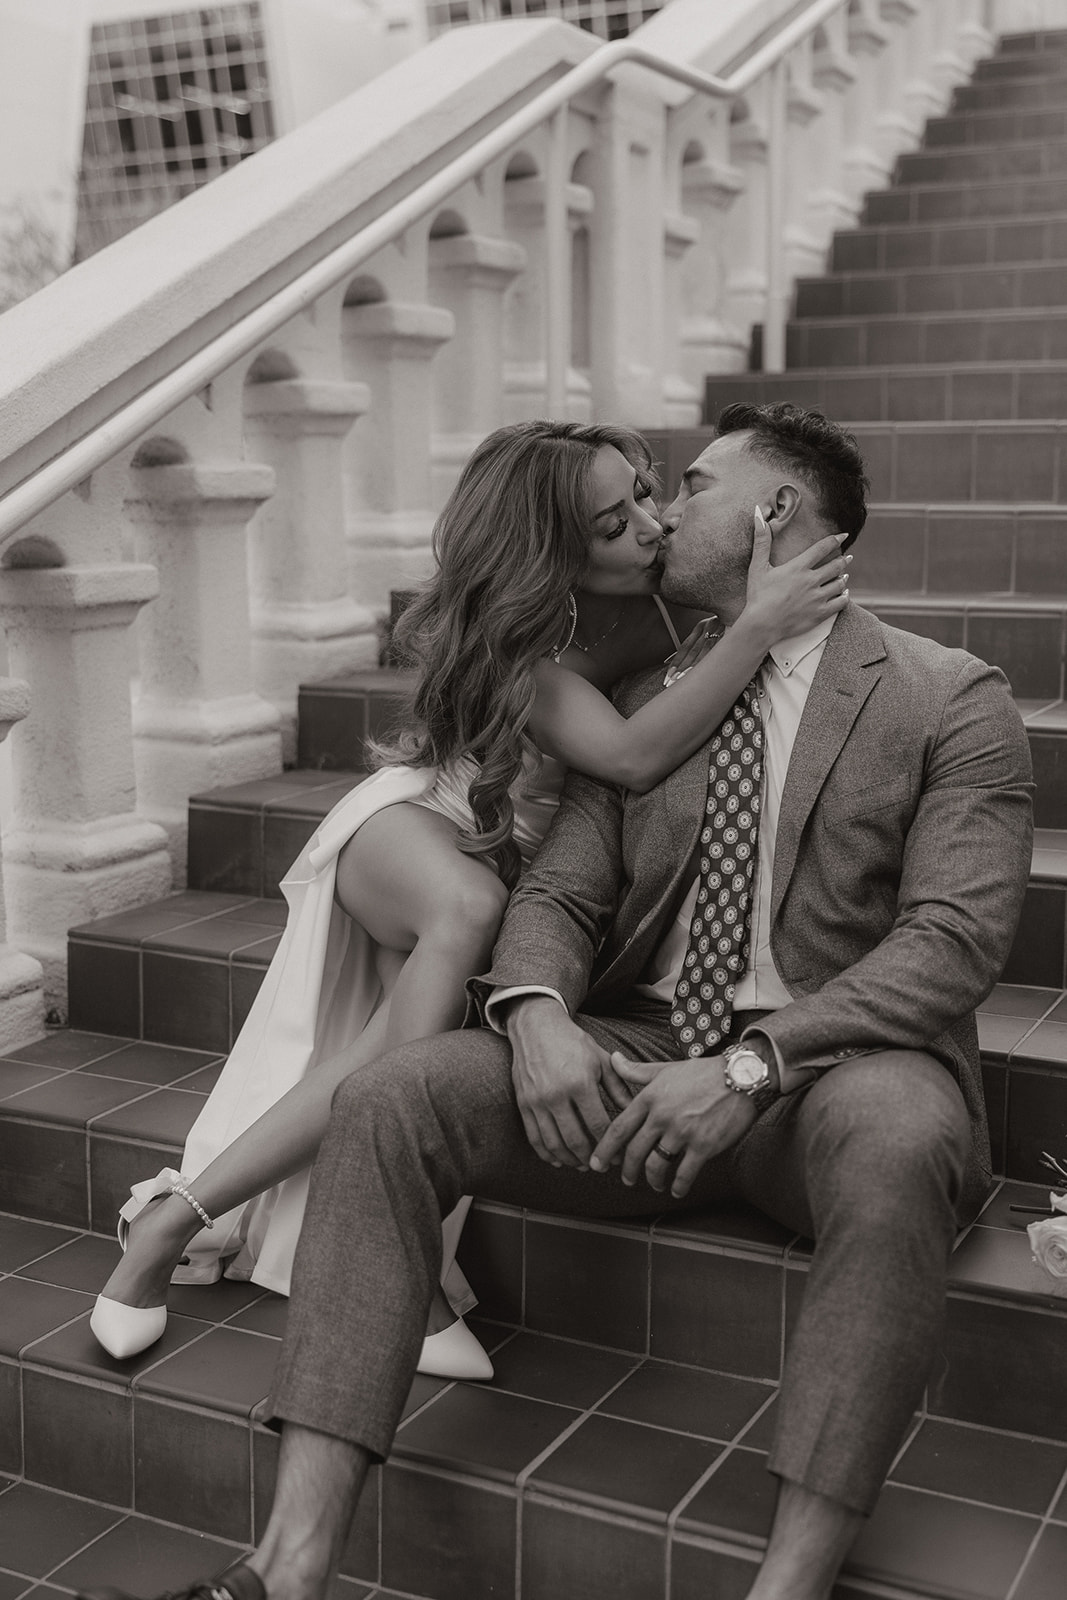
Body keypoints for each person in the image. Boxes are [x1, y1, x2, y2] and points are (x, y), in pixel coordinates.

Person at [82, 400, 1033, 1600]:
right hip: (636, 1060)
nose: (663, 511)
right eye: (642, 499)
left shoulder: (946, 694)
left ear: (774, 512)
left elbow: (952, 942)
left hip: (832, 1074)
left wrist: (750, 1064)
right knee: (394, 1094)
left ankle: (784, 1589)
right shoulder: (652, 689)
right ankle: (283, 1573)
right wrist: (532, 1017)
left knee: (899, 1139)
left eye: (687, 487)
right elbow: (565, 894)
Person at [89, 417, 849, 1381]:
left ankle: (204, 1221)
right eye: (612, 527)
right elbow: (632, 756)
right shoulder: (518, 645)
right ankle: (307, 1255)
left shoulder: (659, 603)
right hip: (416, 825)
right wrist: (756, 627)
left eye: (646, 499)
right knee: (467, 919)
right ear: (550, 551)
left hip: (502, 860)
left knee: (394, 1049)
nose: (651, 530)